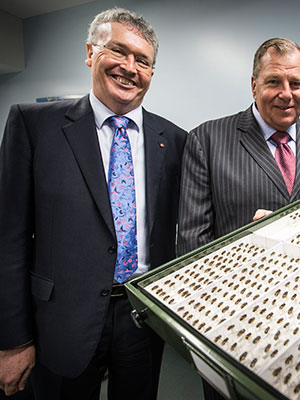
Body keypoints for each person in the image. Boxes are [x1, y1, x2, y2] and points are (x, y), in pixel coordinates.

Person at [0, 7, 187, 399]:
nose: (130, 68)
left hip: (142, 316)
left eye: (143, 61)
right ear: (90, 52)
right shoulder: (35, 126)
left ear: (152, 72)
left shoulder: (174, 140)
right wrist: (13, 340)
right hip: (61, 321)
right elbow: (9, 239)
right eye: (118, 51)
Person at [177, 37, 300, 255]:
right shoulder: (206, 141)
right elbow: (193, 243)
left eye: (295, 83)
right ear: (254, 86)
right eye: (274, 81)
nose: (286, 94)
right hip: (237, 275)